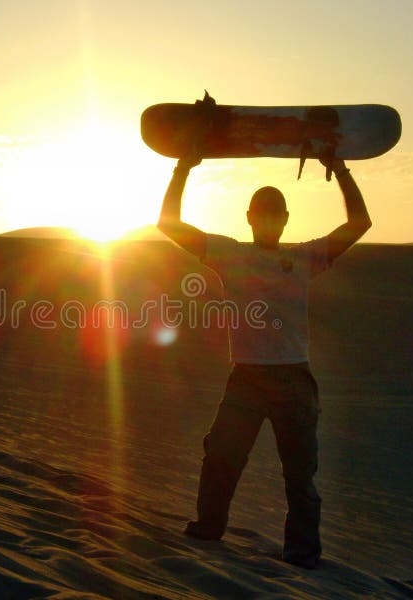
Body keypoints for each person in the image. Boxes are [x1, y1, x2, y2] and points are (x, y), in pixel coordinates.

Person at [157, 151, 371, 569]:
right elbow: (168, 224)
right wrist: (183, 166)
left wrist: (341, 168)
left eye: (277, 214)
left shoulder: (306, 257)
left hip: (293, 379)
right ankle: (208, 527)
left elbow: (360, 224)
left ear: (286, 218)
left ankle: (303, 555)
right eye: (263, 213)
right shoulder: (228, 254)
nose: (270, 220)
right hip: (247, 379)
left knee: (300, 477)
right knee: (221, 457)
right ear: (250, 216)